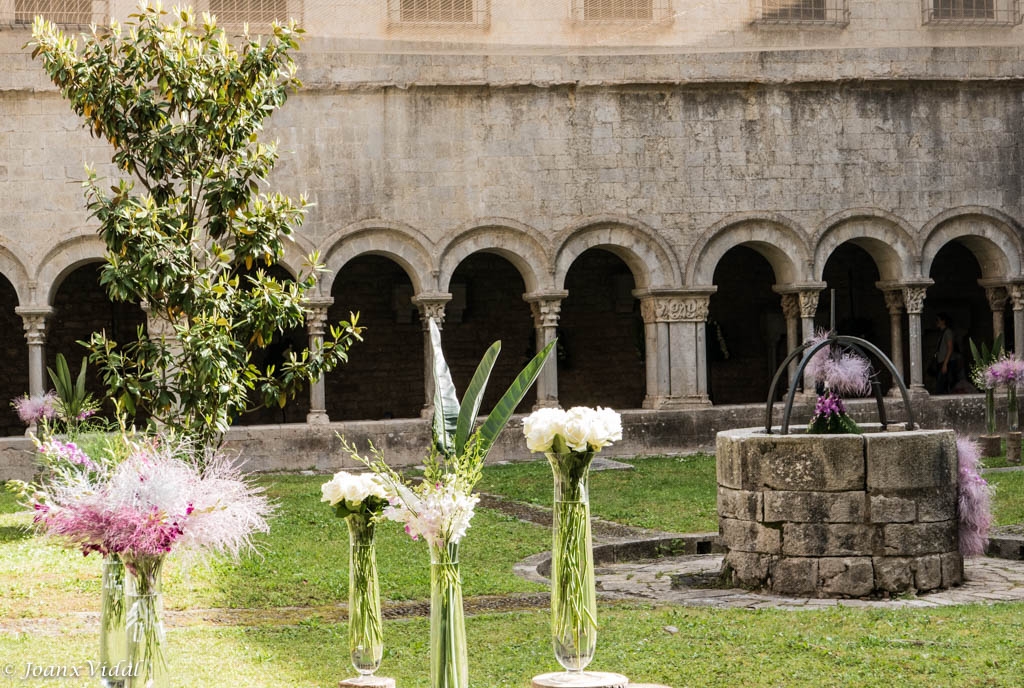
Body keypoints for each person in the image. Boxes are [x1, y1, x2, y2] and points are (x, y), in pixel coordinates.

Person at [934, 313, 957, 394]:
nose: (936, 322)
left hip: (947, 362)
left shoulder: (948, 332)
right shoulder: (942, 333)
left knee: (941, 386)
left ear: (943, 321)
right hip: (942, 362)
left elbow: (950, 348)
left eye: (938, 320)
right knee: (942, 385)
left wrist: (945, 364)